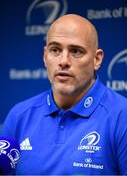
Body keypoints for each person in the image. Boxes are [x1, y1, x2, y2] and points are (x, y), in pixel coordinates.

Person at [2, 14, 127, 175]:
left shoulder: (121, 116)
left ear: (97, 59)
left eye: (75, 51)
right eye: (55, 50)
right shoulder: (19, 115)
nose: (64, 61)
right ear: (45, 56)